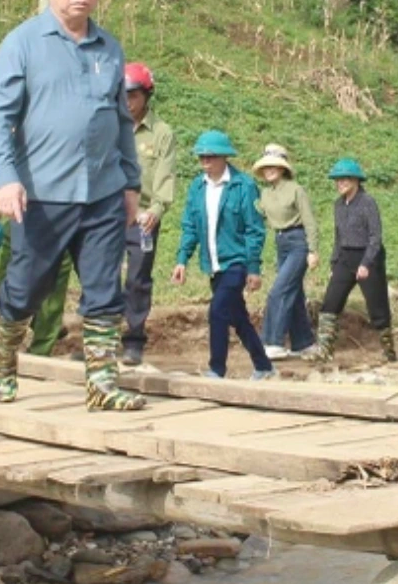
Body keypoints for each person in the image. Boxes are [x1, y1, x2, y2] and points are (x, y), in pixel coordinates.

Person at [0, 0, 146, 412]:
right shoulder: (23, 43)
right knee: (26, 287)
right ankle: (3, 362)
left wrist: (131, 182)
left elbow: (120, 121)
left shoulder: (109, 48)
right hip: (42, 193)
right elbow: (0, 118)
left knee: (103, 289)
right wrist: (7, 178)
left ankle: (101, 383)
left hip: (101, 191)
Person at [171, 130, 275, 380]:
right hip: (214, 265)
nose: (205, 161)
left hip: (236, 262)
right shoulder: (197, 187)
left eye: (211, 156)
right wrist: (181, 259)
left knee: (217, 310)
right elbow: (190, 226)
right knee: (237, 317)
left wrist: (253, 267)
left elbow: (254, 229)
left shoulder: (244, 186)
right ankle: (264, 366)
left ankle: (217, 369)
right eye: (201, 157)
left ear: (224, 158)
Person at [306, 158, 397, 364]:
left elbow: (375, 237)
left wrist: (366, 263)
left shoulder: (368, 202)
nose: (340, 183)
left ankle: (389, 351)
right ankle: (325, 350)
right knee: (330, 302)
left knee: (377, 306)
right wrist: (333, 263)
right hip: (345, 257)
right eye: (338, 180)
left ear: (356, 180)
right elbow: (338, 236)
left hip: (368, 256)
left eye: (345, 179)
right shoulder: (338, 204)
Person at [120, 62, 177, 365]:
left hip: (141, 215)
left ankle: (133, 340)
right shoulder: (109, 126)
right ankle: (98, 340)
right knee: (98, 273)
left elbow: (165, 175)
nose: (127, 102)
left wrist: (156, 208)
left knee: (138, 277)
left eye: (133, 95)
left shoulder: (161, 133)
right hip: (108, 212)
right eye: (122, 95)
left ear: (146, 96)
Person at [252, 144, 319, 361]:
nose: (269, 170)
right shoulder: (264, 194)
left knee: (278, 291)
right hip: (280, 242)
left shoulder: (296, 189)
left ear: (282, 169)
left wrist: (313, 250)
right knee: (294, 293)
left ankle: (273, 342)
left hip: (298, 242)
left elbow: (309, 220)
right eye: (266, 167)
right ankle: (304, 343)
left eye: (274, 166)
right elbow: (256, 214)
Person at [0, 224, 72, 357]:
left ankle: (40, 350)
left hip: (61, 221)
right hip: (21, 218)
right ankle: (40, 327)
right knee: (8, 280)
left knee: (53, 286)